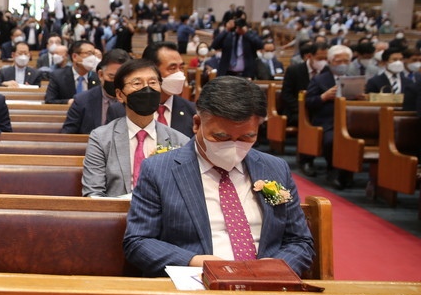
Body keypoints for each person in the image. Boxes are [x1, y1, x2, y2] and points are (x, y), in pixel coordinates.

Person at [123, 76, 315, 278]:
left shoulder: (274, 168)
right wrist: (196, 262)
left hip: (267, 285)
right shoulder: (160, 170)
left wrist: (275, 267)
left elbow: (300, 242)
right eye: (221, 137)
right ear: (197, 124)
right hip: (196, 283)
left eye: (246, 137)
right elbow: (138, 242)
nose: (233, 145)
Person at [82, 58, 190, 197]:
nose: (147, 89)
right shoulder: (102, 138)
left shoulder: (180, 141)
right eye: (137, 83)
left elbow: (185, 192)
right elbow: (93, 194)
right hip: (116, 215)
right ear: (120, 95)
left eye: (152, 83)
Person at [304, 44, 358, 189]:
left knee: (355, 140)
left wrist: (360, 97)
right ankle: (333, 170)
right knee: (331, 141)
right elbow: (308, 103)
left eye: (346, 61)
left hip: (350, 122)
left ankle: (346, 173)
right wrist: (324, 97)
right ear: (330, 62)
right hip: (327, 121)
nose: (342, 65)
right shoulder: (319, 80)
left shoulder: (355, 80)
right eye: (338, 61)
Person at [61, 49, 130, 134]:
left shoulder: (135, 100)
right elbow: (67, 135)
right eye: (112, 77)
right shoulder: (82, 100)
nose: (117, 82)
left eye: (122, 78)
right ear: (101, 75)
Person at [141, 42, 195, 138]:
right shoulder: (123, 110)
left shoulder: (192, 111)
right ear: (150, 70)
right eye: (172, 68)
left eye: (181, 68)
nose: (179, 74)